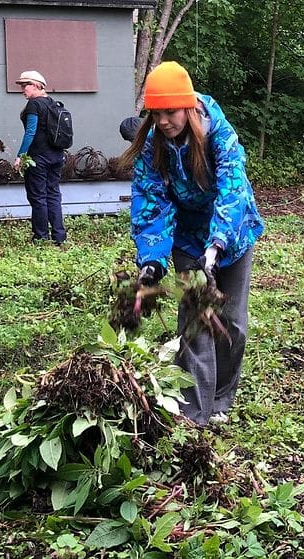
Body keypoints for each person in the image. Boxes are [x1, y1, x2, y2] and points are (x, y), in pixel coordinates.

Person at [120, 61, 265, 426]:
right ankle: (193, 414)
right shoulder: (154, 146)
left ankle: (220, 399)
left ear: (188, 107)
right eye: (156, 114)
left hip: (231, 234)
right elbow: (151, 200)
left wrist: (216, 247)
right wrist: (152, 259)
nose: (164, 121)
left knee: (230, 321)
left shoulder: (219, 135)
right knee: (197, 322)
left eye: (170, 112)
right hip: (187, 238)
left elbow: (232, 189)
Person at [12, 70, 66, 246]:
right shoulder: (53, 103)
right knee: (53, 194)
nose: (22, 89)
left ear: (36, 85)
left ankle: (41, 237)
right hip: (57, 156)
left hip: (38, 158)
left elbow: (30, 132)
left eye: (25, 85)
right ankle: (59, 236)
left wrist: (21, 155)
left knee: (38, 196)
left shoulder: (34, 105)